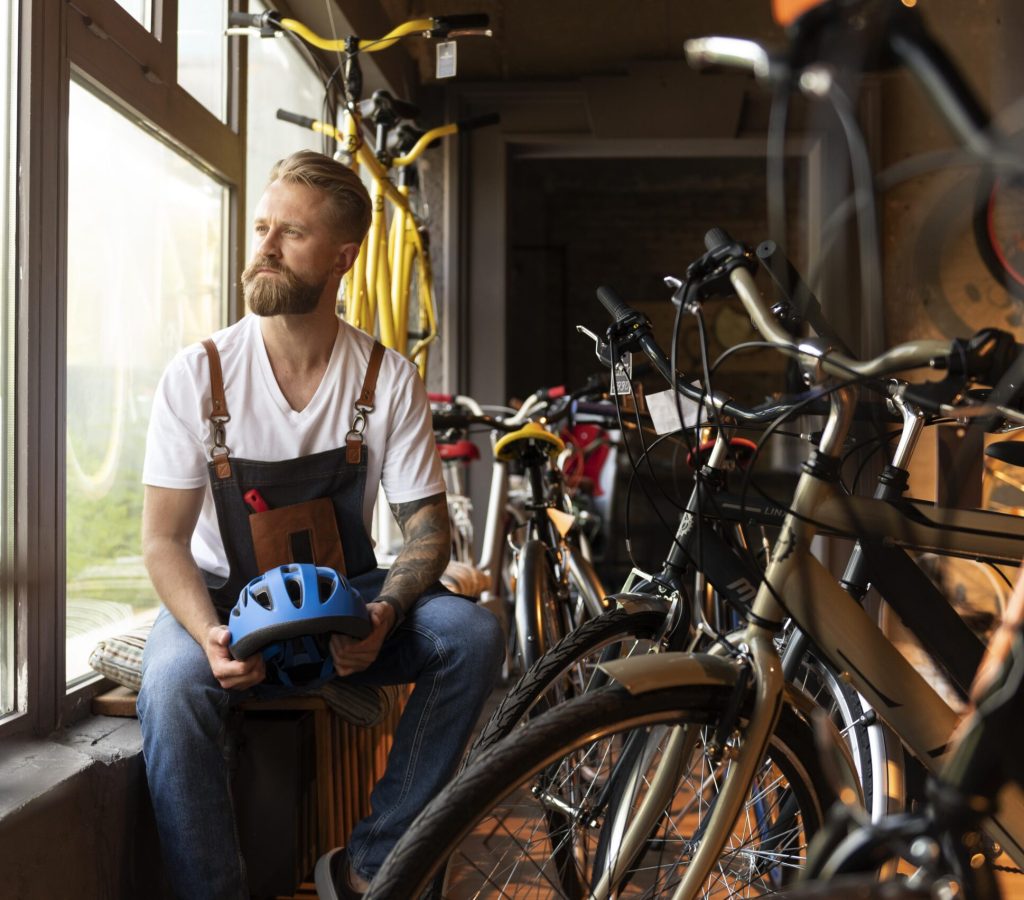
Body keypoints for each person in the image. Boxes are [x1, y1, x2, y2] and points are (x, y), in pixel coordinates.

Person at [137, 149, 504, 900]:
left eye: (290, 233)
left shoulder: (384, 377)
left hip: (345, 602)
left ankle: (372, 863)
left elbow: (427, 531)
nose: (265, 246)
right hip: (224, 605)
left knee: (472, 635)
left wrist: (383, 612)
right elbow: (163, 540)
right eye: (262, 227)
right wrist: (207, 633)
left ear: (344, 256)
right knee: (173, 685)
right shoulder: (198, 376)